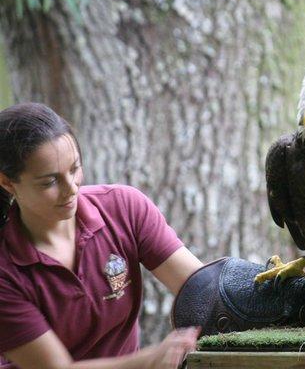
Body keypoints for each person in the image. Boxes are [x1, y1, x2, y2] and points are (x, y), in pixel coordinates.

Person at [0, 102, 203, 369]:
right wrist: (151, 359)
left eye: (74, 169)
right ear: (7, 182)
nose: (70, 188)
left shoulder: (123, 208)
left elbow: (201, 289)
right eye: (49, 181)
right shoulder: (5, 271)